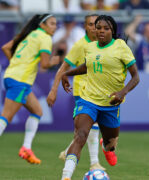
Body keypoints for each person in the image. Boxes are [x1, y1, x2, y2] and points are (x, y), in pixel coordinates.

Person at [60, 15, 140, 180]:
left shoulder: (121, 46)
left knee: (111, 144)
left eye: (106, 28)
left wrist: (122, 93)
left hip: (111, 104)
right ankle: (66, 177)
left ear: (112, 31)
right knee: (80, 135)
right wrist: (67, 73)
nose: (101, 31)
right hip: (88, 100)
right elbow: (88, 66)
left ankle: (106, 147)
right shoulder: (90, 47)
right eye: (98, 28)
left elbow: (135, 77)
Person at [0, 14, 60, 165]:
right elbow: (45, 65)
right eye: (52, 23)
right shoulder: (45, 38)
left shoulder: (30, 34)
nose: (55, 26)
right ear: (43, 25)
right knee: (6, 116)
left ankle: (26, 148)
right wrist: (54, 61)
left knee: (38, 111)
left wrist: (17, 63)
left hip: (12, 77)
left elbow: (6, 47)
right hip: (20, 80)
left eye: (56, 24)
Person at [47, 14, 105, 171]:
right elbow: (63, 67)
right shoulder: (80, 45)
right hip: (83, 91)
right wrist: (54, 90)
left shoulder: (103, 44)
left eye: (97, 24)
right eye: (91, 24)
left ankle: (67, 152)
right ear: (85, 27)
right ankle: (94, 163)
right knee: (93, 125)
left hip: (98, 91)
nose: (94, 27)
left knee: (82, 132)